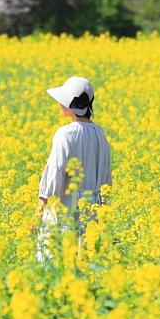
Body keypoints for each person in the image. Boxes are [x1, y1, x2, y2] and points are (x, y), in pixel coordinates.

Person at [34, 76, 112, 261]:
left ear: (70, 105)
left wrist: (37, 213)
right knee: (86, 268)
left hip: (65, 214)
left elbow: (55, 175)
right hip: (93, 215)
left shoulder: (65, 134)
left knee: (56, 267)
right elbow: (107, 182)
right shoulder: (101, 135)